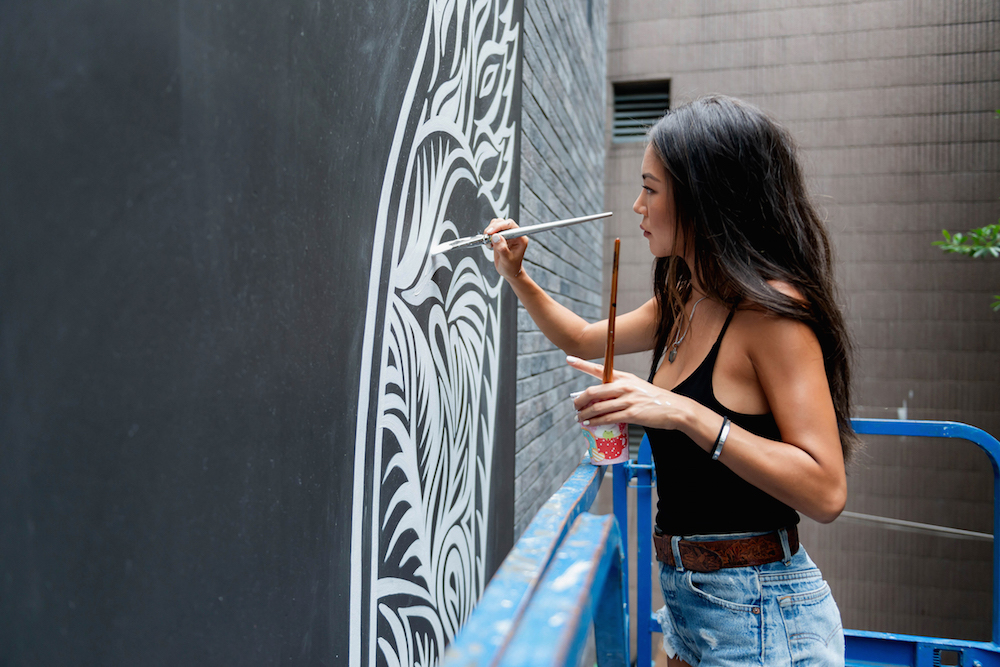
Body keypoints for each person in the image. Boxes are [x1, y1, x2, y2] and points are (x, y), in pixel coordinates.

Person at [485, 95, 856, 666]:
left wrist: (680, 410)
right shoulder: (685, 297)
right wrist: (518, 276)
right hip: (689, 604)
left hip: (761, 613)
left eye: (651, 190)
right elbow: (587, 337)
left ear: (705, 196)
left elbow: (826, 490)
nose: (637, 206)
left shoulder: (772, 314)